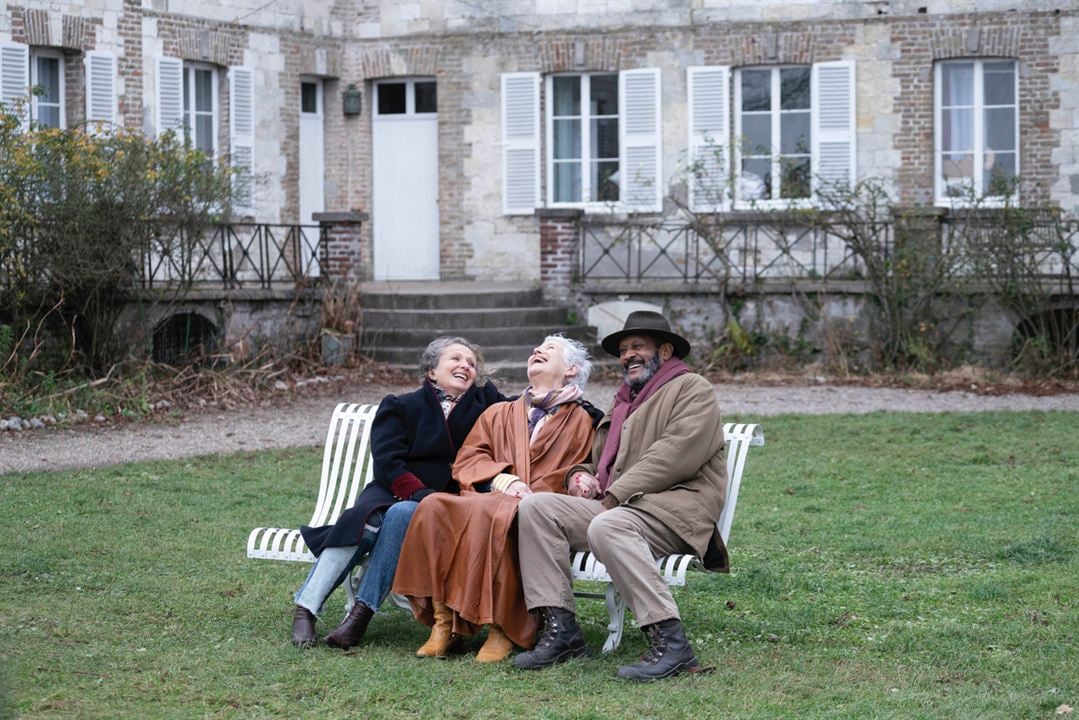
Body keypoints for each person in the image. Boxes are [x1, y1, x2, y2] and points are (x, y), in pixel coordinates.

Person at [512, 311, 728, 681]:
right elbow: (597, 459)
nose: (628, 355)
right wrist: (582, 477)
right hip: (622, 506)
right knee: (536, 507)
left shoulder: (692, 389)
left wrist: (612, 496)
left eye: (638, 347)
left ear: (665, 350)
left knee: (607, 525)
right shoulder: (625, 399)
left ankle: (672, 643)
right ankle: (562, 630)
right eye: (624, 350)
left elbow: (673, 457)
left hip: (674, 509)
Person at [392, 335, 599, 663]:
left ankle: (502, 627)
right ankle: (443, 624)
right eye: (536, 348)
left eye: (549, 350)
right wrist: (502, 478)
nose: (536, 351)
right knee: (434, 506)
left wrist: (575, 479)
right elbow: (468, 459)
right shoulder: (499, 412)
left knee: (502, 515)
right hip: (491, 494)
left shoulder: (585, 421)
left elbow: (579, 470)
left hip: (538, 504)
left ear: (571, 369)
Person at [289, 336, 506, 649]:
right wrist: (417, 492)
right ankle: (306, 610)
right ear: (431, 371)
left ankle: (360, 615)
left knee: (403, 515)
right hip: (394, 490)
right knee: (363, 525)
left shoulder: (487, 403)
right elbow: (388, 461)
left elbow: (528, 407)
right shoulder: (401, 405)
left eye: (471, 363)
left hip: (448, 502)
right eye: (456, 359)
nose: (465, 366)